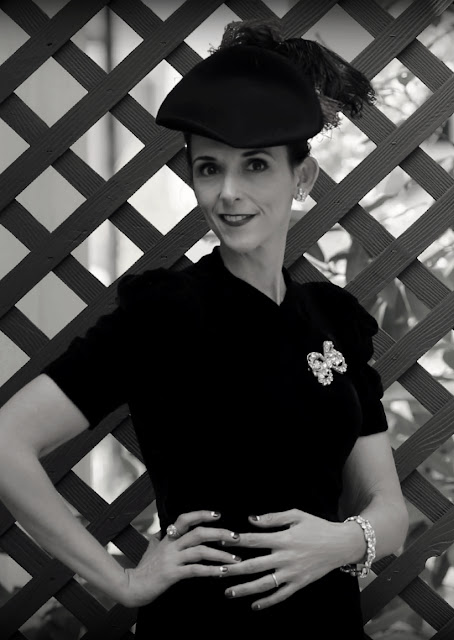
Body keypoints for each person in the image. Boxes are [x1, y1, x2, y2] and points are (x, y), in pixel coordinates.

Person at [0, 19, 408, 638]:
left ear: (302, 178)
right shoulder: (165, 314)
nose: (229, 193)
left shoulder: (334, 320)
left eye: (256, 166)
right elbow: (7, 442)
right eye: (210, 169)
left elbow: (389, 510)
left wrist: (342, 541)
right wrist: (121, 581)